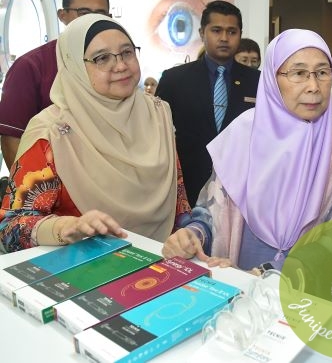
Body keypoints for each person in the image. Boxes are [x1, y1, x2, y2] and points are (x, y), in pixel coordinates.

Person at [0, 15, 209, 253]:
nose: (120, 65)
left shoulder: (158, 114)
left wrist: (189, 232)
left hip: (161, 260)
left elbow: (178, 199)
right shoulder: (51, 133)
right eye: (102, 58)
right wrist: (64, 227)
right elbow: (10, 228)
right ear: (75, 66)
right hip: (81, 265)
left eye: (127, 52)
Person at [162, 29, 332, 271]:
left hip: (302, 287)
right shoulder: (243, 133)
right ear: (271, 78)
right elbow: (211, 210)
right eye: (299, 73)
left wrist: (268, 272)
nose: (313, 86)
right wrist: (194, 234)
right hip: (235, 283)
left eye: (322, 72)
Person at [156, 0, 260, 207]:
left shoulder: (258, 82)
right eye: (216, 30)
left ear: (240, 34)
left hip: (241, 188)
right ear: (202, 33)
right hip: (187, 186)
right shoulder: (174, 79)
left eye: (232, 32)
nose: (224, 38)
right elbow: (158, 136)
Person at [0, 0, 110, 169]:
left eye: (101, 14)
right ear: (62, 15)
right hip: (51, 177)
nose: (92, 20)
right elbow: (13, 139)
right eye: (83, 13)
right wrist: (31, 185)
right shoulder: (31, 66)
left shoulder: (114, 62)